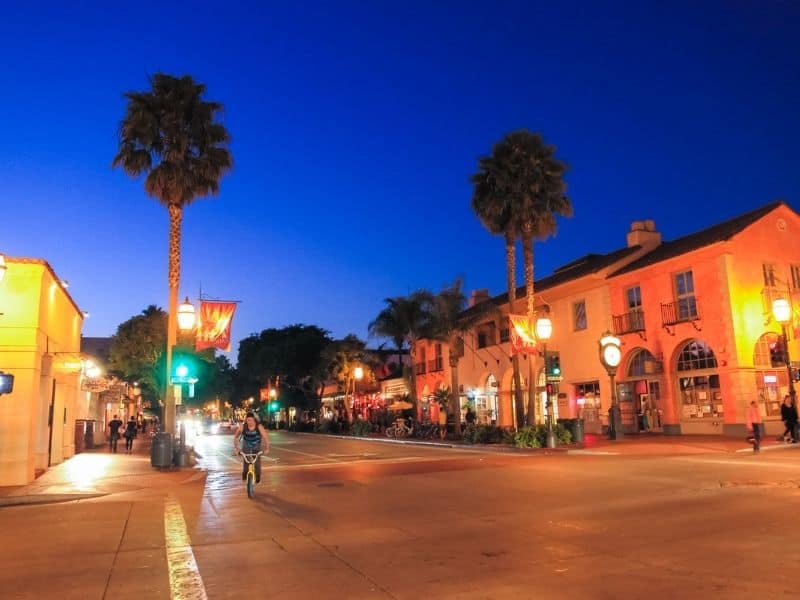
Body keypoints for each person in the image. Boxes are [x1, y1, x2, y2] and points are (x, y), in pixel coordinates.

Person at [233, 413, 270, 484]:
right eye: (247, 420)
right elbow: (236, 437)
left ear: (254, 420)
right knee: (246, 462)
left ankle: (258, 477)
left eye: (250, 420)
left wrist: (267, 448)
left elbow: (266, 438)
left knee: (257, 463)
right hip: (246, 444)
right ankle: (244, 474)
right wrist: (236, 448)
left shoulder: (259, 426)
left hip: (256, 445)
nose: (249, 422)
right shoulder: (243, 427)